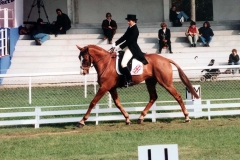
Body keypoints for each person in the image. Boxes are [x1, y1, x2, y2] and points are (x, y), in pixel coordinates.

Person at [112, 14, 148, 87]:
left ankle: (129, 80)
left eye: (129, 21)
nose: (127, 22)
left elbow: (129, 41)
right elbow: (124, 37)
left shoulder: (135, 30)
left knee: (123, 64)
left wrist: (120, 47)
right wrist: (115, 43)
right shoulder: (130, 27)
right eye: (128, 21)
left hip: (132, 48)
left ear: (133, 21)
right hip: (127, 46)